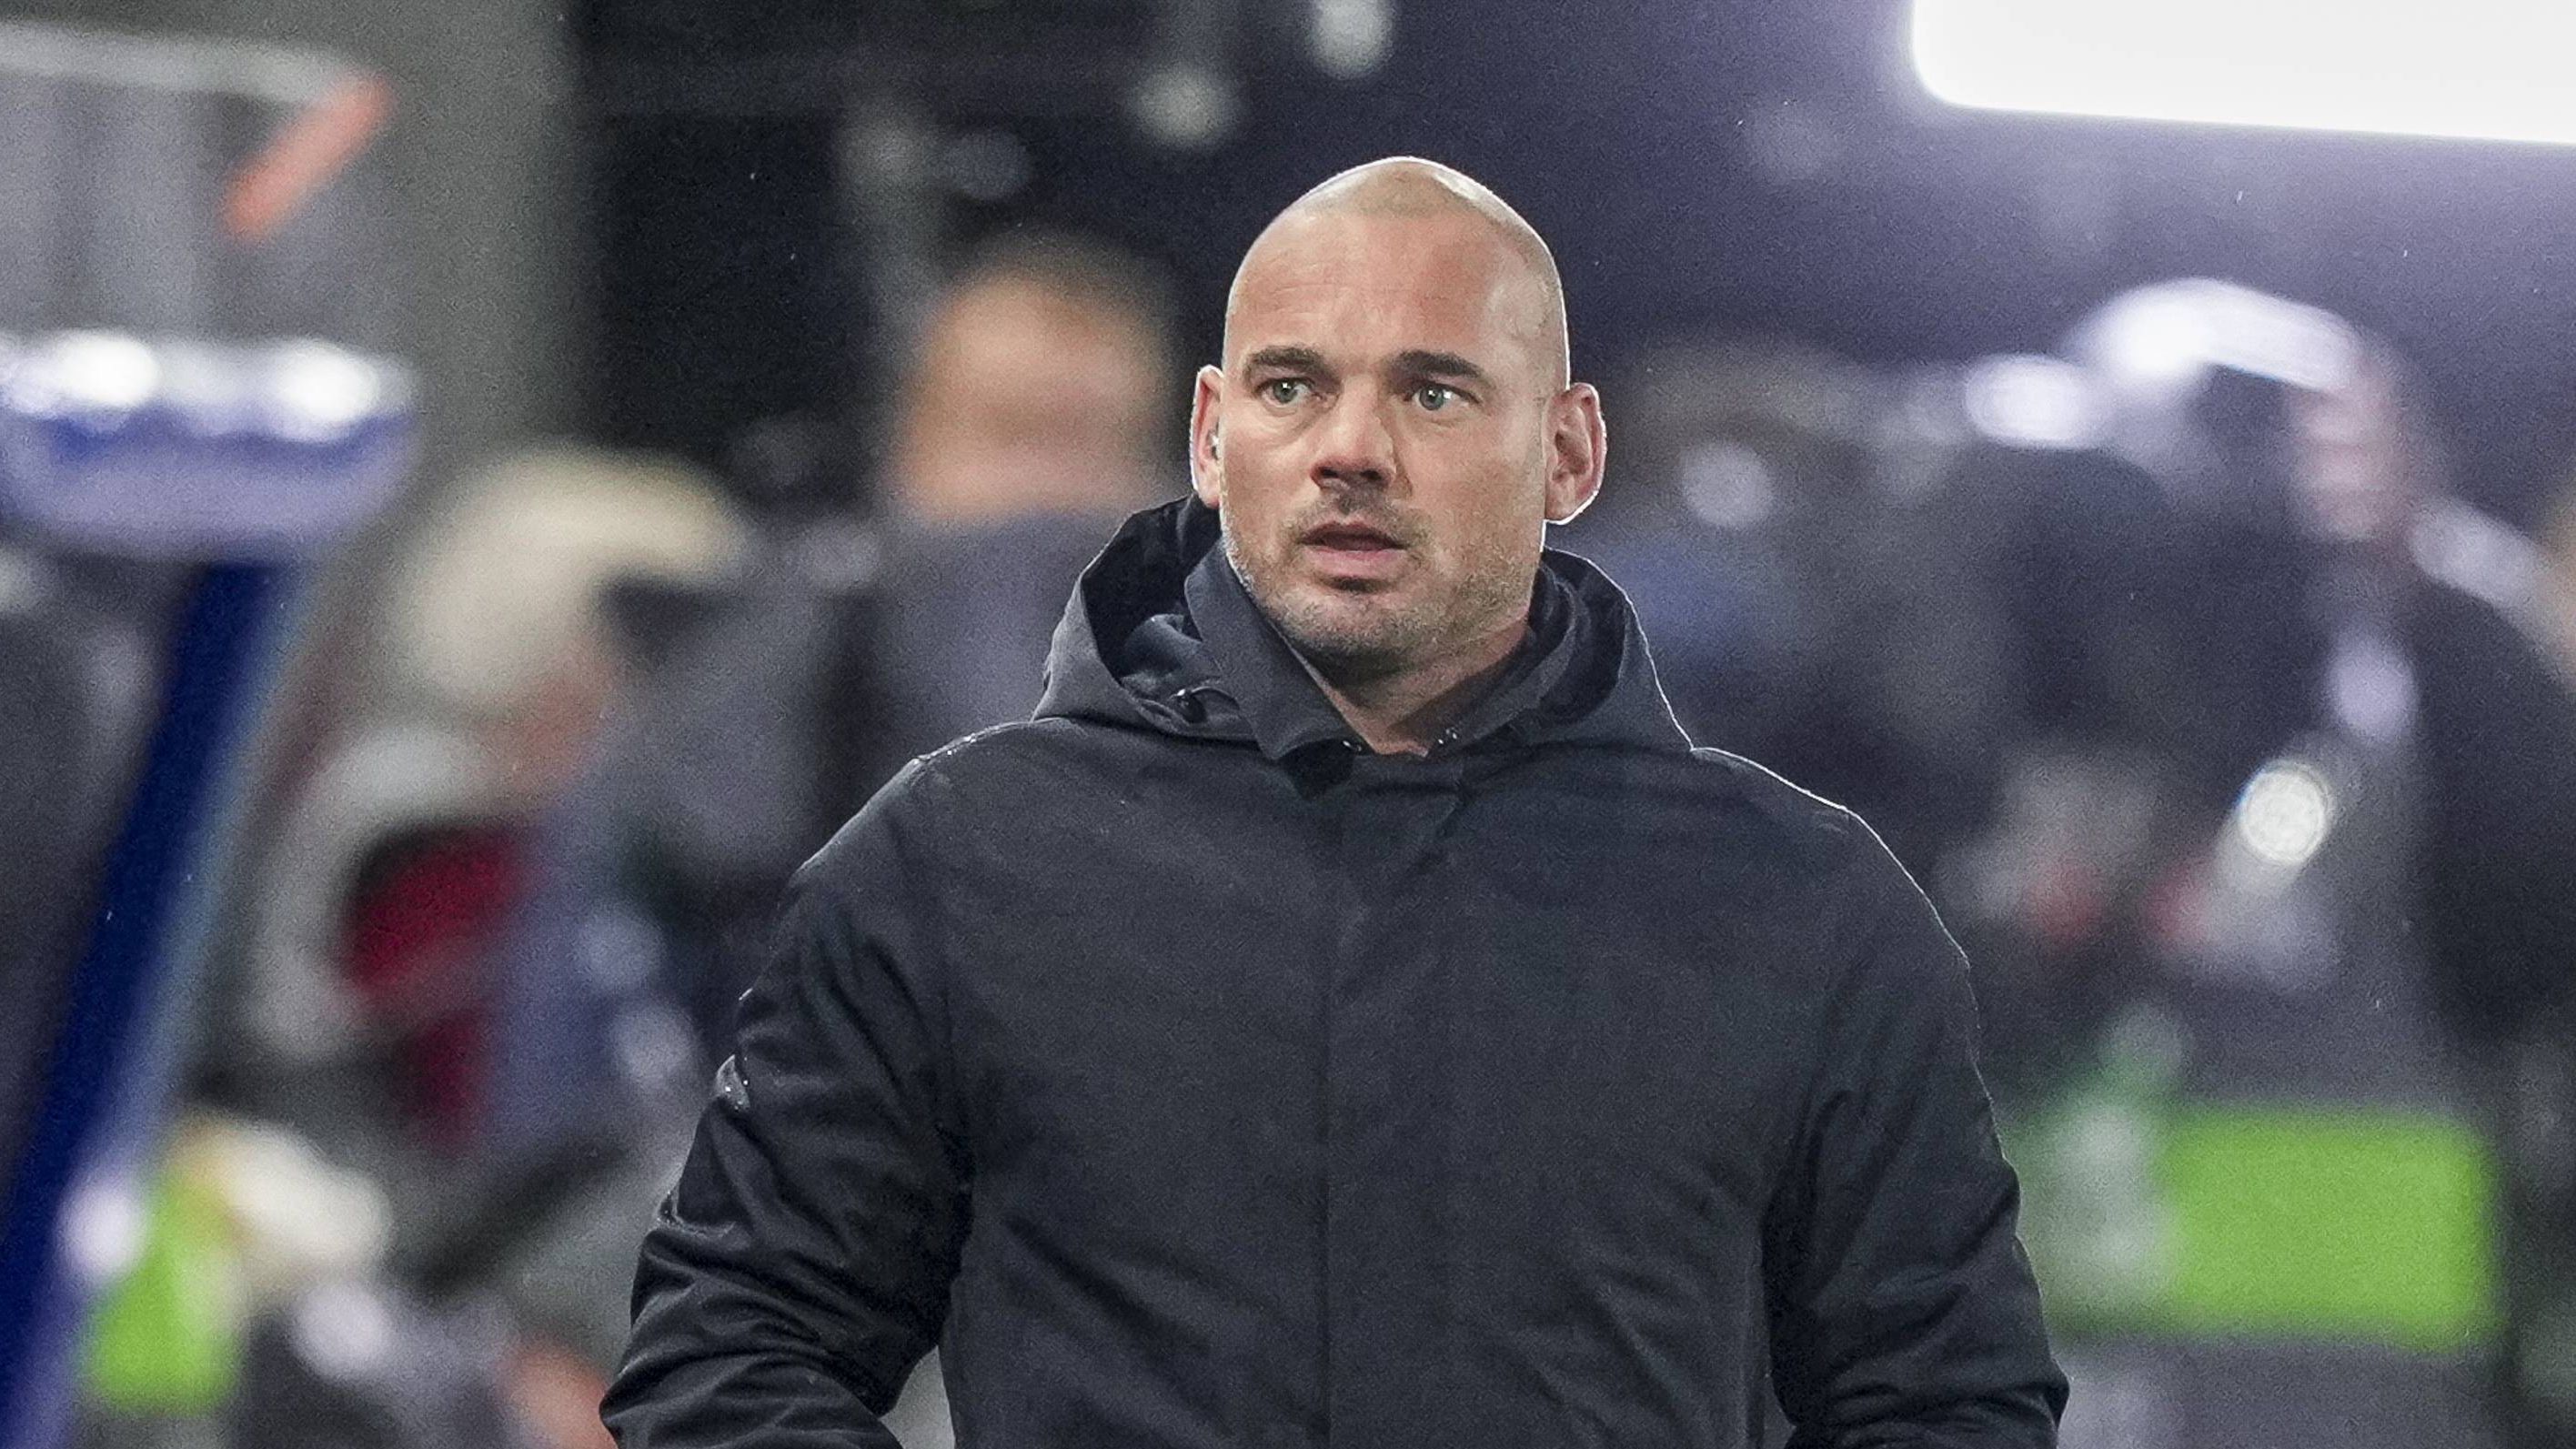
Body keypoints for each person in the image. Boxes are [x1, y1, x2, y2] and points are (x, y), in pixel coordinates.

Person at [602, 157, 2065, 1448]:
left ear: (1568, 450)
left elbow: (1945, 1398)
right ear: (1211, 437)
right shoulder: (957, 863)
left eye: (1433, 389)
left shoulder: (1801, 910)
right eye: (1294, 386)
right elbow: (735, 1347)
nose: (1351, 448)